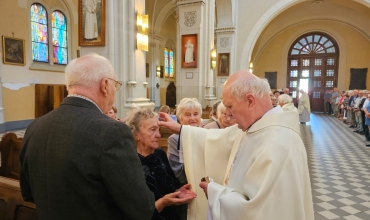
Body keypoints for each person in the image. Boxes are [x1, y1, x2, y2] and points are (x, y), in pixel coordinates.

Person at [158, 70, 313, 220]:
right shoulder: (256, 127)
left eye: (230, 106)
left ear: (250, 101)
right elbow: (217, 137)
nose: (228, 114)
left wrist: (214, 193)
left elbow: (261, 212)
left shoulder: (279, 144)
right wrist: (180, 129)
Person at [19, 54, 155, 220]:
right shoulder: (112, 131)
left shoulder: (36, 126)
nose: (114, 92)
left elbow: (28, 193)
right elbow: (141, 208)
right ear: (105, 85)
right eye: (115, 85)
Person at [126, 107, 196, 220]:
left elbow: (170, 184)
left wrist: (178, 191)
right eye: (152, 129)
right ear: (136, 135)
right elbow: (135, 210)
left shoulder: (159, 153)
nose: (159, 135)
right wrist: (163, 202)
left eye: (159, 129)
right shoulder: (130, 162)